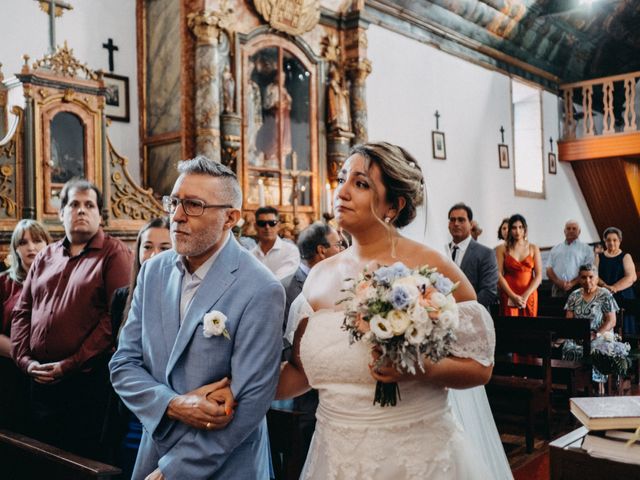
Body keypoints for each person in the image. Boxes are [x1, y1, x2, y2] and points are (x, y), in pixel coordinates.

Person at [276, 142, 508, 479]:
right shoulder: (318, 277)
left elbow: (479, 367)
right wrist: (243, 388)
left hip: (416, 458)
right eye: (342, 179)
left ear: (394, 205)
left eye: (360, 183)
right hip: (335, 456)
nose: (341, 192)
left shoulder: (431, 267)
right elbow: (301, 373)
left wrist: (420, 367)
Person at [110, 156, 285, 480]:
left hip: (227, 464)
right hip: (155, 449)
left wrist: (174, 471)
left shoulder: (261, 287)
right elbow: (123, 365)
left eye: (193, 205)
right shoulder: (153, 271)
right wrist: (173, 405)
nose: (176, 216)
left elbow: (250, 403)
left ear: (230, 217)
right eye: (174, 201)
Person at [11, 179, 132, 460]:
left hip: (85, 385)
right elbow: (22, 311)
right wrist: (25, 360)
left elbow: (113, 319)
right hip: (38, 382)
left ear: (100, 215)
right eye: (73, 204)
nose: (81, 210)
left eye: (89, 205)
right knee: (40, 460)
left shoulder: (114, 254)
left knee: (81, 461)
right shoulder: (45, 256)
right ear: (60, 212)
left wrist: (69, 364)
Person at [107, 217, 171, 477]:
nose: (154, 254)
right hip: (133, 409)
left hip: (170, 407)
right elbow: (119, 352)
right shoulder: (122, 296)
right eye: (147, 247)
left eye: (164, 247)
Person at [280, 222, 345, 467]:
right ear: (321, 250)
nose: (343, 250)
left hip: (337, 402)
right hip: (301, 401)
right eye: (338, 244)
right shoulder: (285, 288)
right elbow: (280, 343)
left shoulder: (342, 281)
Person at [0, 220, 50, 432]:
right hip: (11, 373)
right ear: (15, 249)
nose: (31, 247)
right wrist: (25, 359)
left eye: (37, 240)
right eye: (23, 242)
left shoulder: (60, 280)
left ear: (49, 244)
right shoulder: (4, 283)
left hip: (50, 372)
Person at [563, 264, 618, 383]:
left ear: (597, 278)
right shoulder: (574, 295)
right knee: (568, 347)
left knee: (595, 348)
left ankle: (596, 384)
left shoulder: (605, 295)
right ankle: (575, 383)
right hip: (578, 335)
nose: (587, 280)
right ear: (579, 279)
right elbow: (569, 320)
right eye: (583, 277)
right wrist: (575, 335)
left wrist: (596, 334)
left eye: (591, 277)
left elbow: (611, 320)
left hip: (600, 335)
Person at [447, 202, 498, 310]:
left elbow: (489, 292)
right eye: (452, 220)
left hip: (474, 318)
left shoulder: (486, 253)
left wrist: (461, 310)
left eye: (461, 220)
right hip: (444, 318)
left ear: (471, 224)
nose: (456, 223)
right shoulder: (441, 251)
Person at [496, 214, 542, 316]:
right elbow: (498, 274)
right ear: (509, 230)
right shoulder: (501, 249)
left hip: (529, 294)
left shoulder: (533, 248)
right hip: (509, 293)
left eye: (520, 227)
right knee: (509, 328)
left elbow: (538, 276)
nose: (517, 231)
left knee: (529, 329)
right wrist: (512, 296)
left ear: (525, 229)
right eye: (514, 228)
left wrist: (525, 295)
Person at [594, 227, 637, 334]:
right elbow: (594, 275)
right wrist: (606, 287)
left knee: (625, 325)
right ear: (604, 241)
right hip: (604, 294)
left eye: (615, 240)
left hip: (623, 294)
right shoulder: (599, 257)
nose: (611, 243)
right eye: (608, 240)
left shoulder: (625, 256)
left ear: (620, 241)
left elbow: (630, 277)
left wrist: (614, 288)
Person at [547, 220, 594, 298]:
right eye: (568, 229)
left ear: (579, 231)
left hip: (579, 287)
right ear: (564, 231)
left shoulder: (587, 249)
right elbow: (549, 269)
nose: (571, 231)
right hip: (557, 288)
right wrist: (558, 282)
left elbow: (588, 271)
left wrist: (572, 283)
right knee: (557, 310)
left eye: (574, 228)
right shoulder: (555, 249)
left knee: (578, 310)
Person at [252, 206, 300, 280]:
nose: (267, 227)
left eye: (272, 223)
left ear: (278, 225)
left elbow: (280, 280)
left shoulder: (290, 251)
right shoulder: (251, 255)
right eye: (262, 223)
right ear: (255, 226)